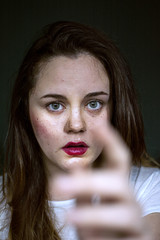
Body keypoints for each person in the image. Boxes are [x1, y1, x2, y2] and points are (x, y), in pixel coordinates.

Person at [0, 20, 160, 240]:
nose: (76, 125)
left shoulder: (150, 188)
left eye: (93, 104)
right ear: (25, 110)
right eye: (55, 105)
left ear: (115, 108)